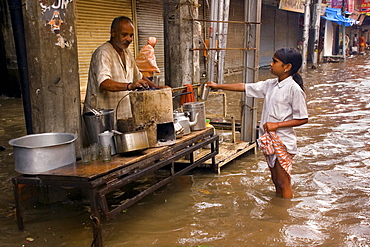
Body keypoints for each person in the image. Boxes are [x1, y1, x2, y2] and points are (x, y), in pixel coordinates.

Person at [206, 48, 308, 198]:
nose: (271, 64)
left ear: (287, 67)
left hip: (282, 141)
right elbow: (245, 87)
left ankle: (285, 216)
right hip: (269, 140)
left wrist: (277, 125)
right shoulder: (271, 84)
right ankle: (278, 211)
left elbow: (303, 118)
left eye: (275, 61)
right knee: (276, 180)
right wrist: (218, 86)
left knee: (283, 182)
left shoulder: (294, 89)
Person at [83, 16, 159, 119]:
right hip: (102, 117)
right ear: (113, 33)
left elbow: (139, 76)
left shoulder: (127, 53)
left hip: (123, 114)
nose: (129, 39)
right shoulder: (103, 53)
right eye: (124, 35)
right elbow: (104, 83)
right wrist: (130, 86)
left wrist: (157, 88)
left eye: (131, 35)